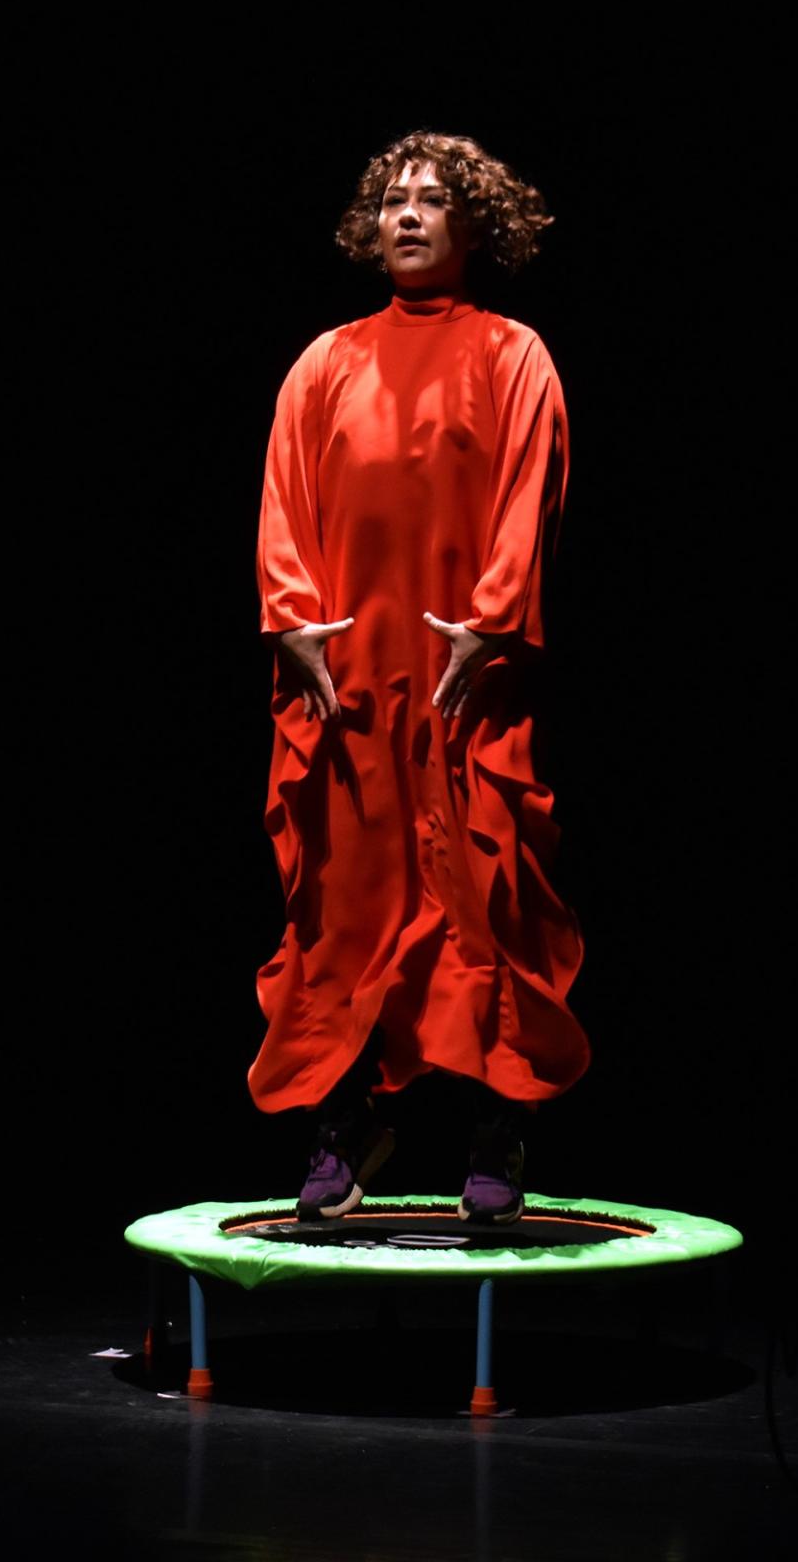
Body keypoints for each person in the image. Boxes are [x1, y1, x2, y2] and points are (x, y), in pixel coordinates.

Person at [251, 131, 588, 1227]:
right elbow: (283, 503)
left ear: (473, 225)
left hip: (464, 678)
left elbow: (528, 497)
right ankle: (350, 1122)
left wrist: (490, 627)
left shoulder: (513, 353)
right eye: (393, 198)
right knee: (349, 900)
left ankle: (497, 1121)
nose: (407, 214)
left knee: (482, 895)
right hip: (350, 682)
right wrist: (295, 622)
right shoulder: (325, 360)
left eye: (434, 200)